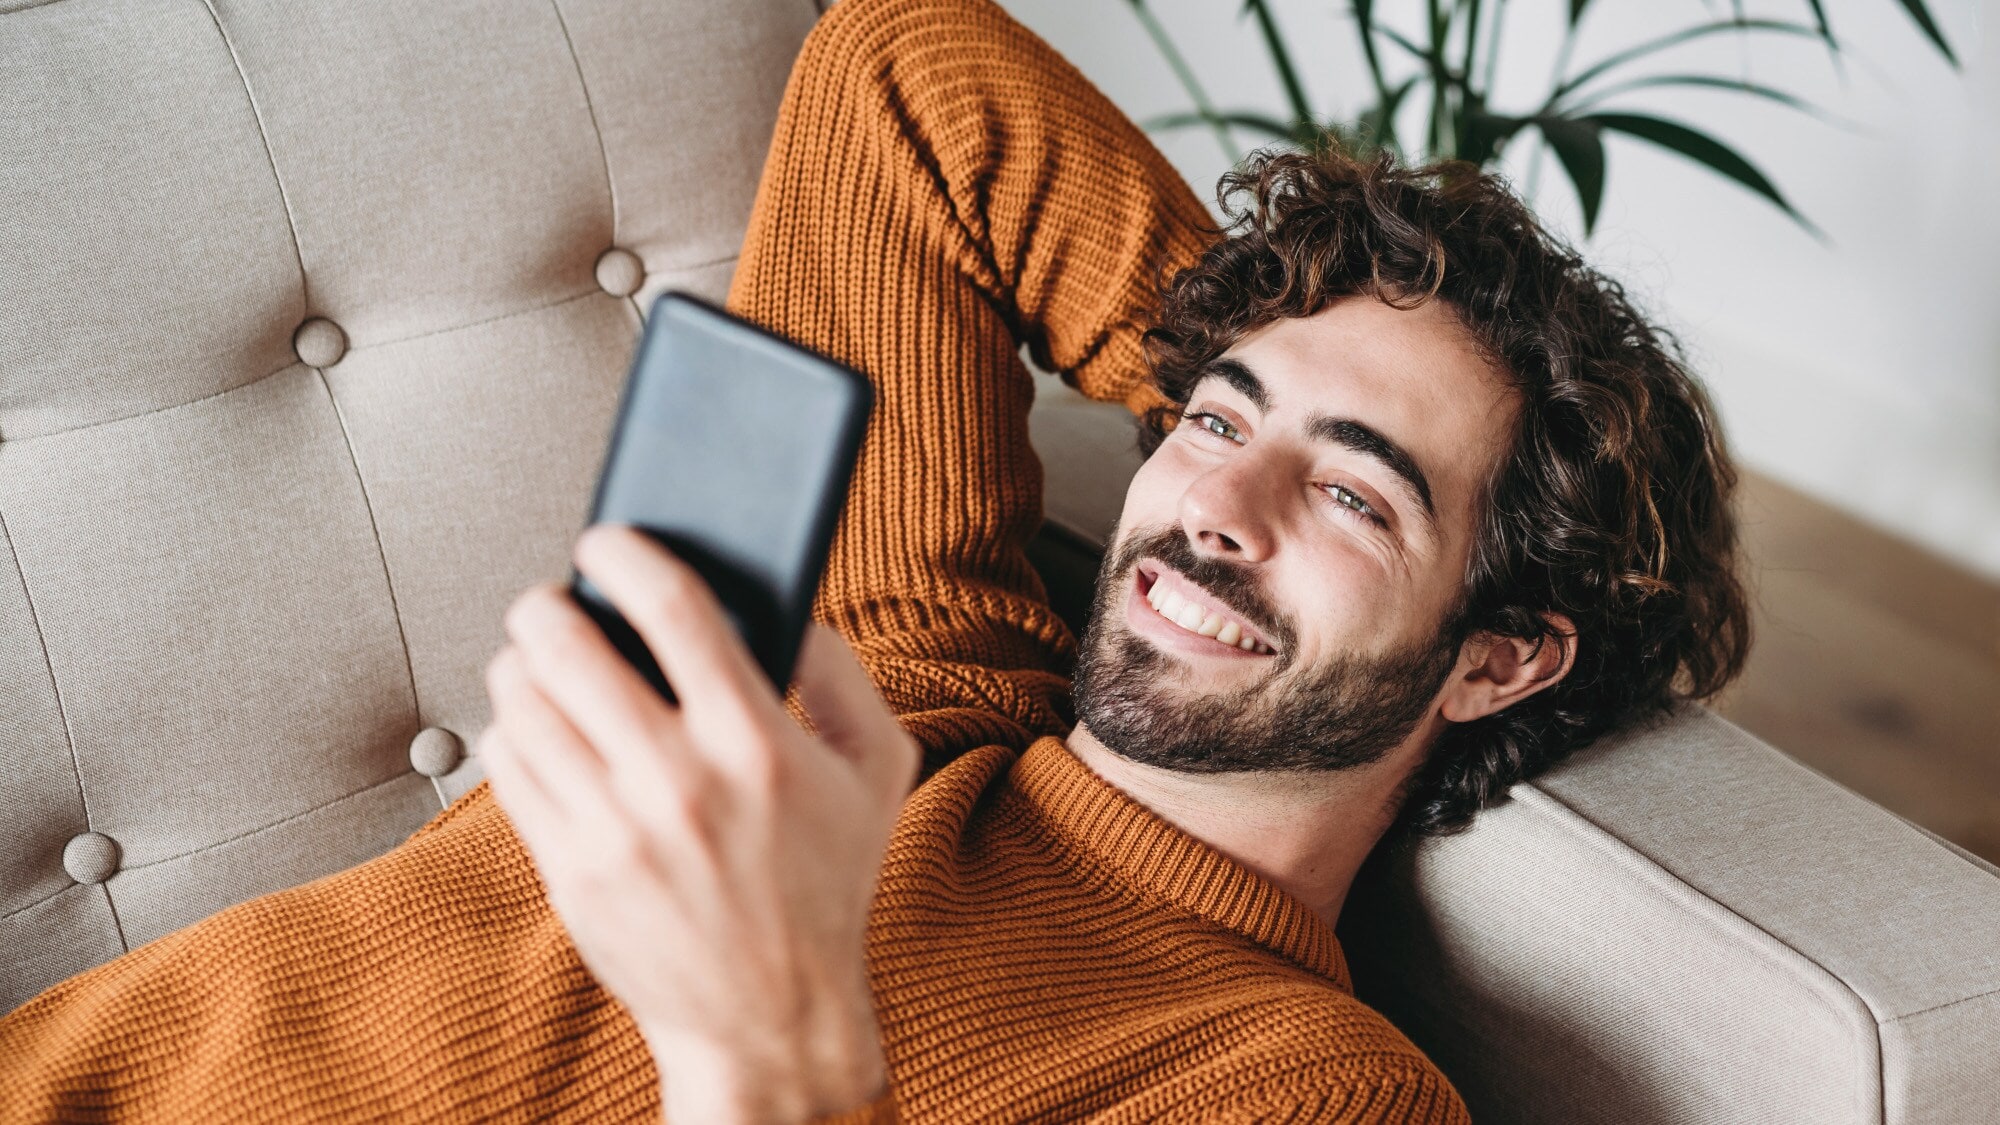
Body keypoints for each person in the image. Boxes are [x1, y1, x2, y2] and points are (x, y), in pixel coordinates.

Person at [0, 0, 1747, 1120]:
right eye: (1211, 421)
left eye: (1359, 497)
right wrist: (1271, 373)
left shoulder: (1290, 1081)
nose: (1219, 505)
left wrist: (764, 1056)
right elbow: (910, 72)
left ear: (1502, 653)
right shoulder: (911, 665)